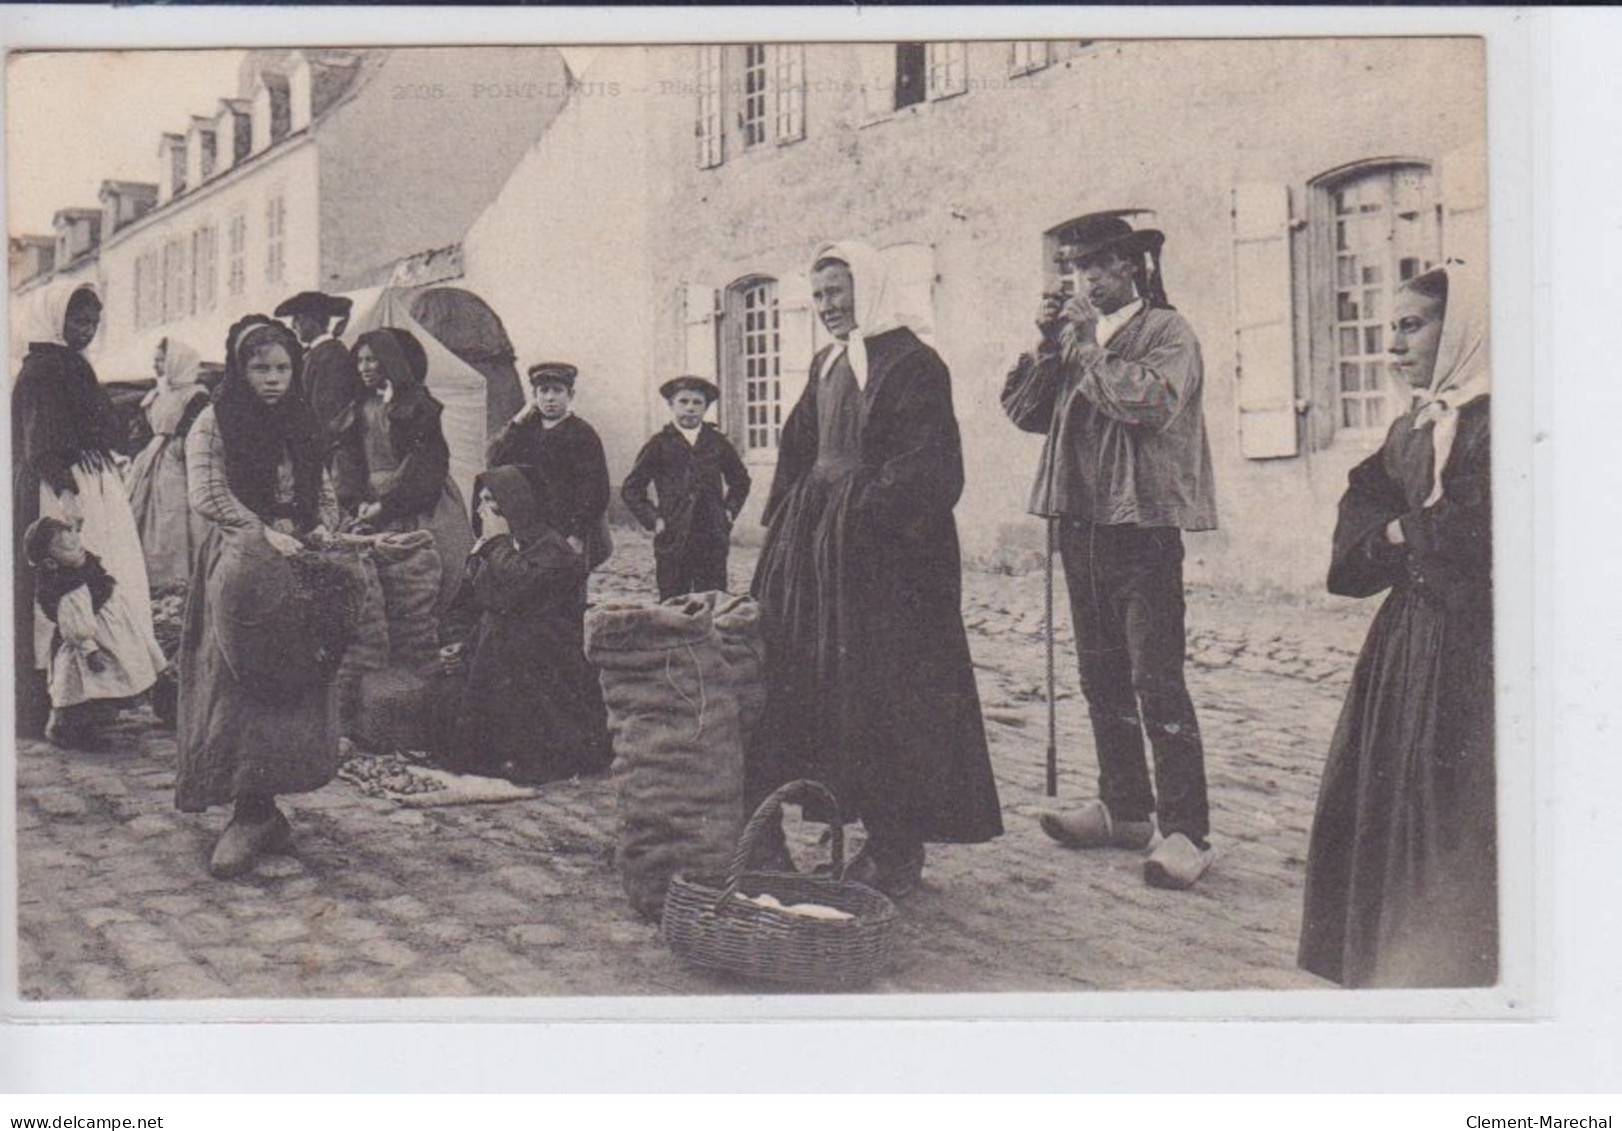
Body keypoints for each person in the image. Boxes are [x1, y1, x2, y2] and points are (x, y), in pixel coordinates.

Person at [750, 239, 1003, 897]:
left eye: (839, 290)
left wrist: (860, 510)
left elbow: (931, 468)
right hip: (820, 553)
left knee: (890, 695)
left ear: (872, 287)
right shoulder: (827, 363)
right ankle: (854, 823)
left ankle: (898, 844)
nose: (828, 306)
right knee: (823, 687)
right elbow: (799, 447)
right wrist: (788, 521)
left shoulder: (913, 364)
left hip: (889, 564)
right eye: (821, 294)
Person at [1002, 210, 1219, 891]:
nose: (1085, 278)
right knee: (1100, 672)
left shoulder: (1169, 333)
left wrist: (1091, 348)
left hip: (1145, 528)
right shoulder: (1072, 340)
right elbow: (1023, 412)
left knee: (1157, 678)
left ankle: (1186, 830)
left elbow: (1150, 405)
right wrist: (1046, 346)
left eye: (1097, 264)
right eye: (1075, 266)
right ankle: (1125, 807)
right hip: (1082, 522)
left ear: (1132, 267)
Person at [1298, 264, 1496, 988]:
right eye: (1391, 328)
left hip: (1479, 643)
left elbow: (1480, 523)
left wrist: (1408, 533)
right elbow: (1367, 506)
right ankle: (1392, 954)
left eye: (1411, 326)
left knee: (1458, 799)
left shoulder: (1495, 419)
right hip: (1409, 639)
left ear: (1462, 330)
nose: (1393, 345)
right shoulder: (1414, 425)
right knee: (1394, 787)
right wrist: (1392, 538)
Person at [176, 315, 342, 879]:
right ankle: (248, 811)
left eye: (281, 368)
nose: (272, 379)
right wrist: (259, 530)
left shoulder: (303, 418)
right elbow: (207, 491)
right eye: (259, 368)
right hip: (239, 562)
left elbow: (322, 485)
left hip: (295, 558)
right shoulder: (213, 420)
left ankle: (268, 808)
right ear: (239, 368)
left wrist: (320, 526)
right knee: (238, 682)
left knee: (291, 679)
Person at [11, 281, 161, 738]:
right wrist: (66, 491)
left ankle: (94, 696)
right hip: (60, 488)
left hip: (86, 482)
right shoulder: (43, 370)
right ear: (56, 320)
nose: (87, 330)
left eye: (93, 323)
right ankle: (58, 704)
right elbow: (42, 443)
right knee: (69, 587)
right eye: (79, 321)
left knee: (101, 583)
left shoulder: (70, 366)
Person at [438, 464, 610, 784]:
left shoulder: (553, 548)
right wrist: (459, 642)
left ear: (516, 502)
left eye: (492, 500)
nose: (482, 510)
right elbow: (464, 606)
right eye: (481, 500)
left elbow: (522, 589)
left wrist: (497, 545)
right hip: (495, 659)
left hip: (546, 663)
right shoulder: (489, 549)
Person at [338, 327, 474, 616]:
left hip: (417, 499)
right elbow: (350, 460)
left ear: (391, 360)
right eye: (360, 360)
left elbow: (425, 462)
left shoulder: (417, 406)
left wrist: (386, 504)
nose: (364, 367)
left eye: (372, 360)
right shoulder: (359, 406)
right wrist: (357, 499)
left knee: (429, 569)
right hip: (368, 498)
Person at [25, 515, 165, 748]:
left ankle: (100, 717)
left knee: (119, 671)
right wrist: (90, 650)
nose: (80, 551)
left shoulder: (81, 566)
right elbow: (77, 625)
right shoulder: (69, 587)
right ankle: (69, 727)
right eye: (71, 550)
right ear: (51, 563)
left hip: (113, 629)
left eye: (79, 545)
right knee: (85, 684)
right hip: (93, 638)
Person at [621, 375, 751, 600]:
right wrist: (654, 519)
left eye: (697, 403)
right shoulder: (659, 443)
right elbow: (632, 489)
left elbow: (740, 481)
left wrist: (728, 511)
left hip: (711, 535)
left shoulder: (717, 442)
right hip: (673, 534)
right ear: (671, 405)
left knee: (712, 598)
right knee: (673, 598)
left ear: (706, 407)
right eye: (683, 402)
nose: (690, 408)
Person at [485, 361, 612, 568]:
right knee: (533, 586)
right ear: (534, 396)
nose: (550, 397)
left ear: (570, 395)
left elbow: (596, 489)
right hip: (532, 527)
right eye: (543, 391)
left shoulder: (581, 433)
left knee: (569, 586)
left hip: (568, 527)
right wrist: (517, 422)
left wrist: (577, 534)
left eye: (558, 391)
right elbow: (495, 460)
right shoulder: (526, 430)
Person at [125, 336, 210, 588]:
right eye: (155, 360)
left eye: (161, 360)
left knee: (176, 513)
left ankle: (182, 575)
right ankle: (153, 574)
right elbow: (141, 429)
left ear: (176, 361)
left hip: (181, 457)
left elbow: (195, 429)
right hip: (153, 457)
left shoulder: (195, 394)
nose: (156, 365)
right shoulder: (156, 395)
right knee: (145, 510)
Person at [275, 290, 357, 461]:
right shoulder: (314, 354)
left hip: (326, 455)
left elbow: (326, 412)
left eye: (298, 319)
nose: (293, 326)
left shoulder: (332, 355)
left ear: (312, 320)